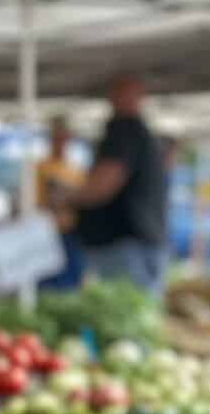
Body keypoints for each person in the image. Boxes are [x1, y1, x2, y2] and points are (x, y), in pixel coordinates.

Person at [72, 74, 167, 294]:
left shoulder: (125, 131)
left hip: (124, 246)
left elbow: (104, 184)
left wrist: (66, 197)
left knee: (125, 315)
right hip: (136, 244)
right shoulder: (137, 133)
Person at [35, 114, 84, 289]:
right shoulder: (39, 167)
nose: (61, 141)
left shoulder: (76, 169)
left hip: (72, 234)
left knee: (71, 282)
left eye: (64, 136)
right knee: (48, 283)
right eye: (57, 136)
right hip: (48, 234)